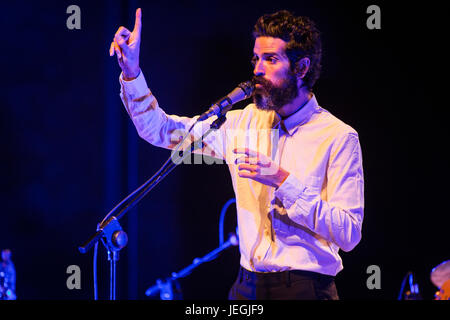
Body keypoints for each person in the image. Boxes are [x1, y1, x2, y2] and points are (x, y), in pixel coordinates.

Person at [110, 8, 364, 300]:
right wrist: (131, 74)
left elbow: (349, 234)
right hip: (246, 287)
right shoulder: (242, 122)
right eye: (256, 58)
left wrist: (284, 181)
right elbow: (160, 130)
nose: (257, 69)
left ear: (301, 68)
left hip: (305, 289)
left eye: (270, 59)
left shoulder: (338, 136)